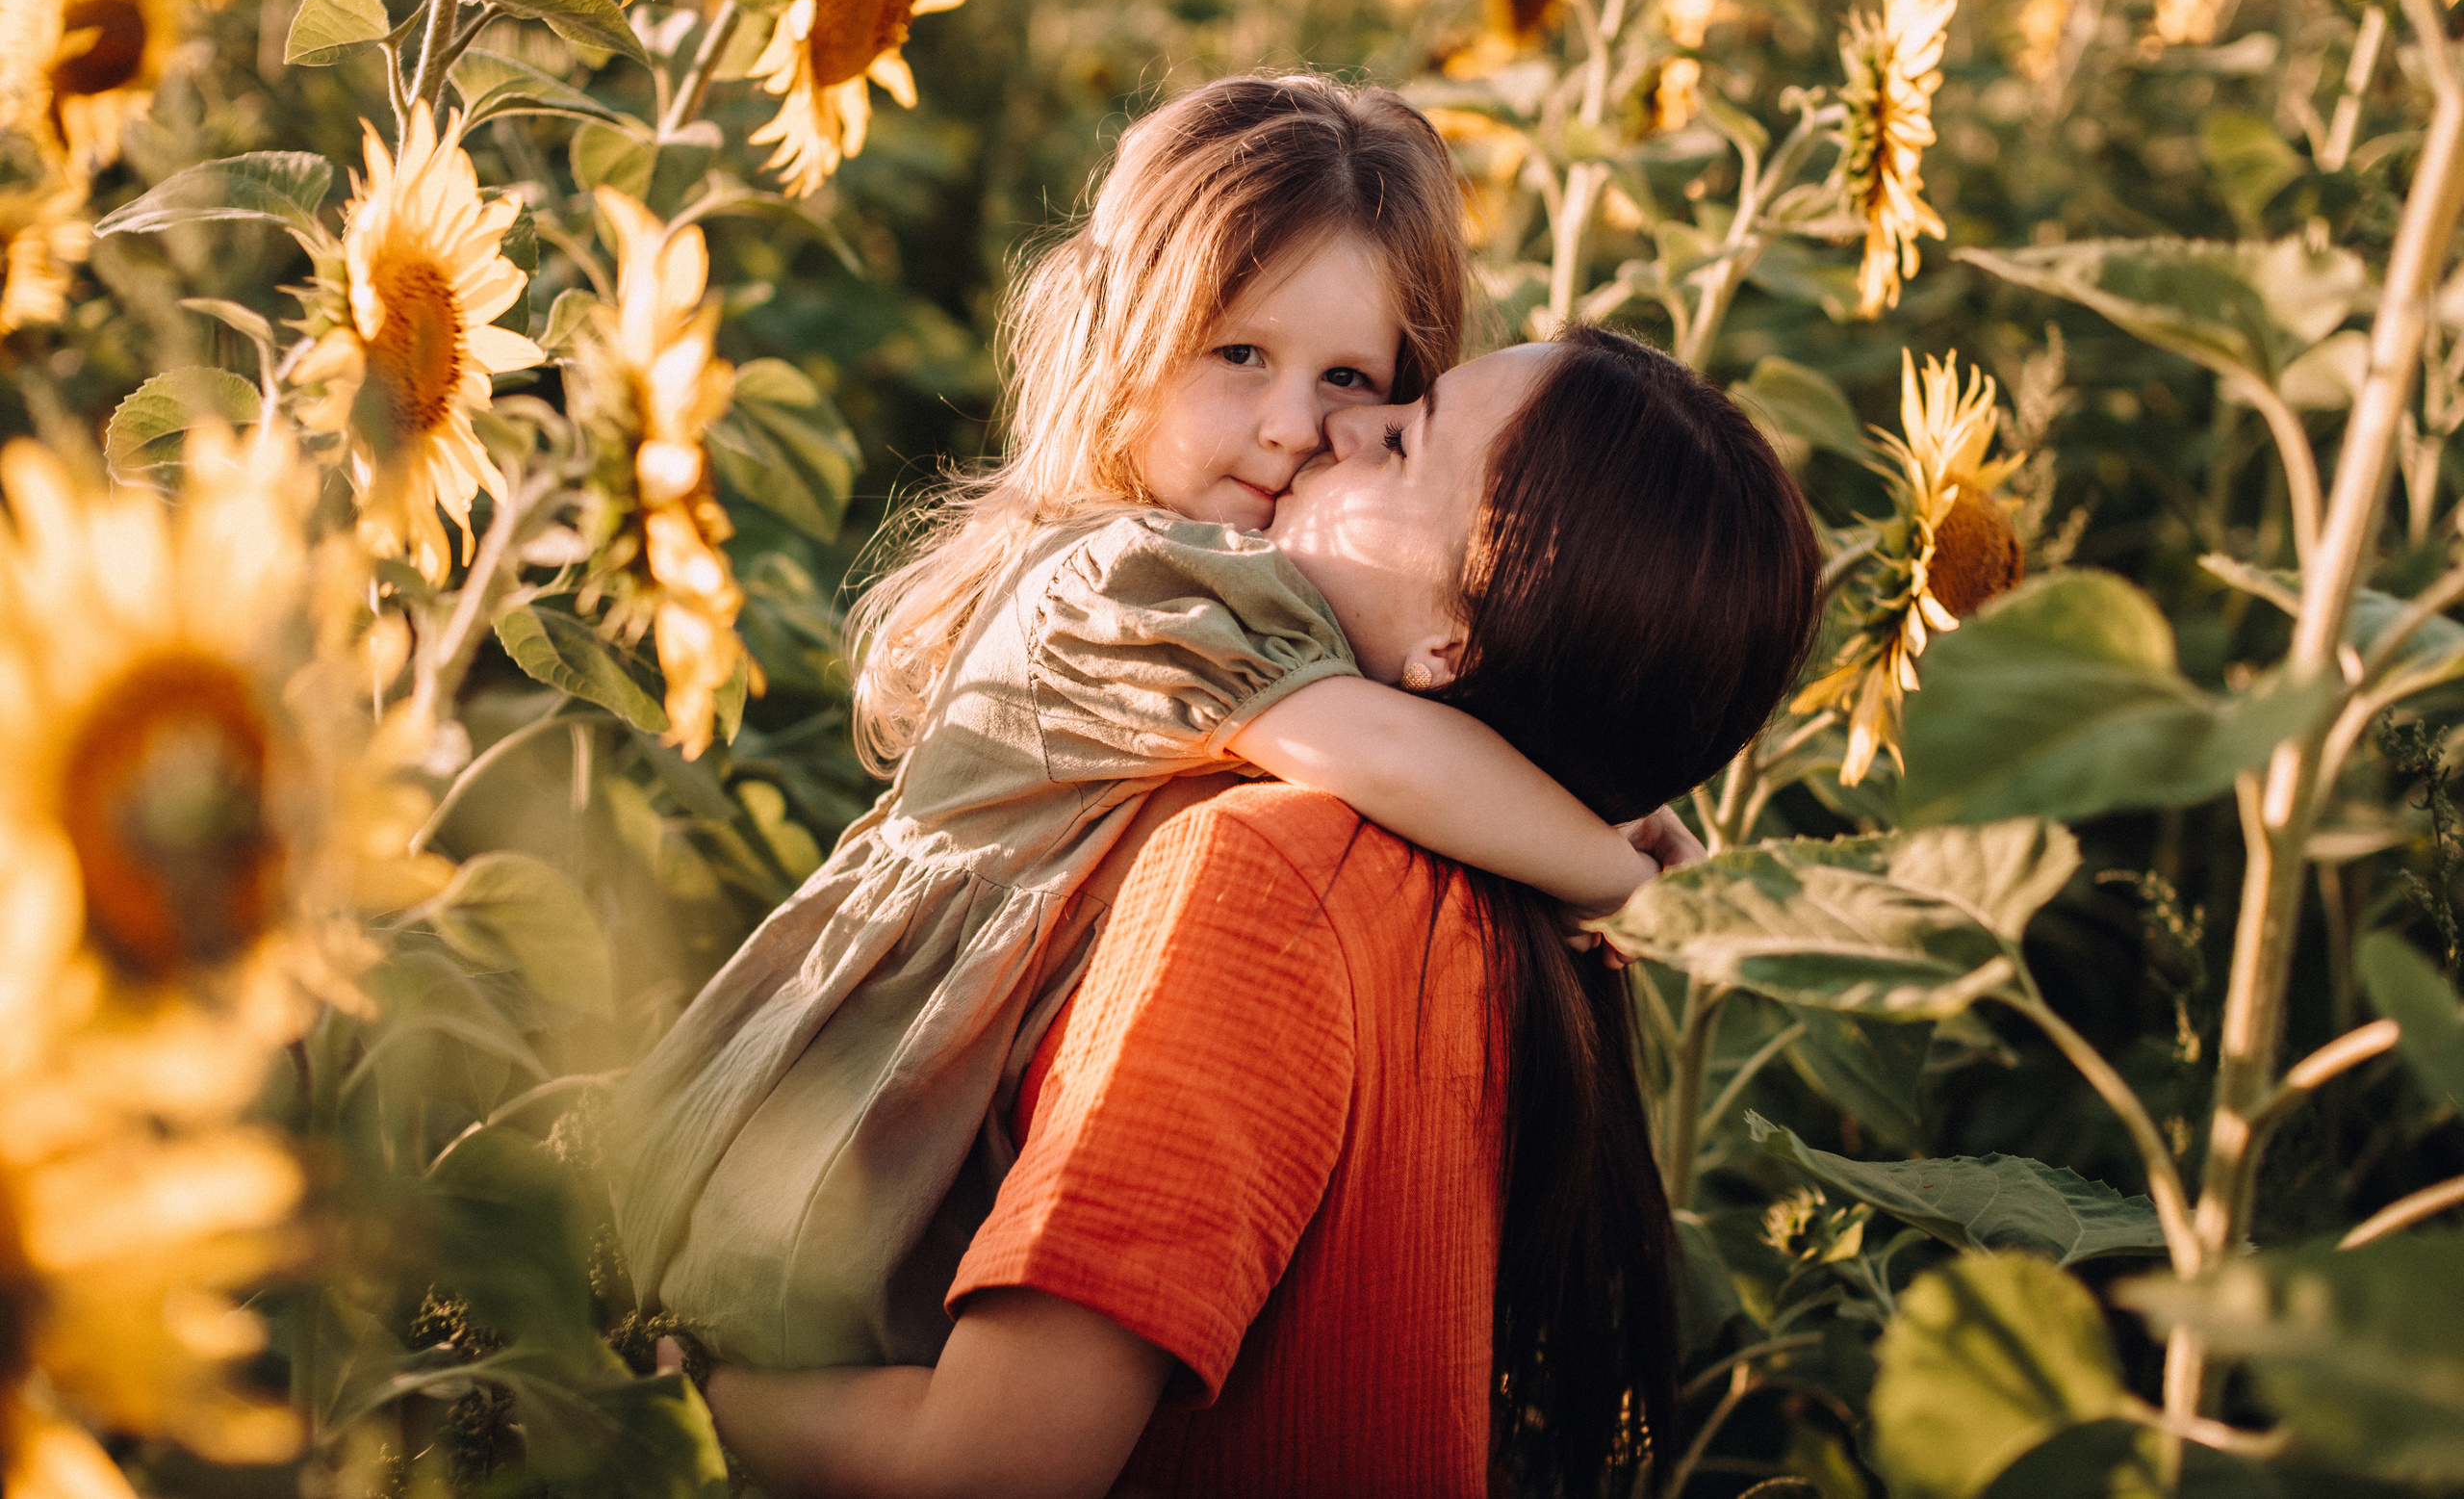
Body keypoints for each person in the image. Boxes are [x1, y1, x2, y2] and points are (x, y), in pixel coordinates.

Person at [609, 77, 1690, 1377]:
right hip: (857, 1119)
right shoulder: (1133, 577)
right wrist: (1609, 868)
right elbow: (1383, 749)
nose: (1293, 426)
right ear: (1122, 342)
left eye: (1349, 376)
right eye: (1238, 355)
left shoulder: (1262, 594)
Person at [685, 327, 1826, 1498]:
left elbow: (987, 1469)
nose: (1338, 427)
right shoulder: (1499, 920)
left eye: (1399, 440)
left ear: (1451, 647)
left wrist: (678, 1386)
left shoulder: (1277, 879)